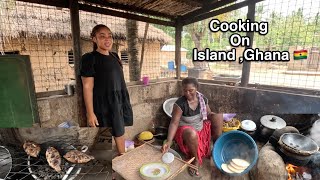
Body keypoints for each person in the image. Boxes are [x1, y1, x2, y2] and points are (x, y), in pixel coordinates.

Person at [80, 24, 133, 156]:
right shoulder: (89, 58)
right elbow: (87, 87)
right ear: (94, 39)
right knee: (108, 133)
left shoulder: (115, 56)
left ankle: (120, 157)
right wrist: (90, 113)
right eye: (102, 36)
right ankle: (110, 163)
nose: (107, 39)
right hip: (103, 102)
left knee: (118, 130)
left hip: (118, 100)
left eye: (110, 36)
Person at [161, 77, 223, 177]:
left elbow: (208, 113)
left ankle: (216, 151)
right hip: (185, 131)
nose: (188, 93)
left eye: (191, 90)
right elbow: (174, 123)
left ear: (197, 88)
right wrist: (169, 140)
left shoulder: (202, 99)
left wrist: (217, 117)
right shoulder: (180, 104)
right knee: (192, 133)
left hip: (200, 128)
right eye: (185, 91)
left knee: (218, 117)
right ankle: (195, 160)